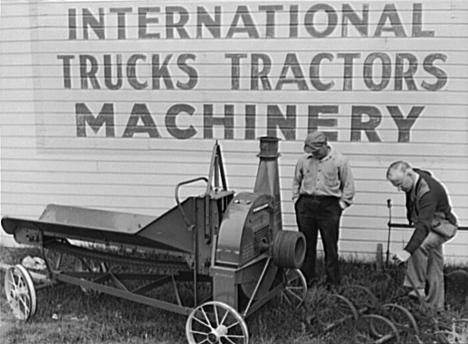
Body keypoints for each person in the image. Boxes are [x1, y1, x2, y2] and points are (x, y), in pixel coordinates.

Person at [387, 161, 458, 313]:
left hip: (444, 227)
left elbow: (423, 226)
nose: (399, 189)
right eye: (395, 186)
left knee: (419, 246)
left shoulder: (428, 192)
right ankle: (435, 309)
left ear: (409, 174)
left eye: (400, 184)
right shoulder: (415, 177)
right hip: (432, 224)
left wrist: (407, 251)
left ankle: (417, 288)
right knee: (434, 266)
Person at [292, 131, 355, 288]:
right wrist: (296, 200)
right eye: (310, 151)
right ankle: (307, 281)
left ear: (325, 145)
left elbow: (348, 186)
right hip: (306, 205)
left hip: (329, 206)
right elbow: (296, 181)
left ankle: (333, 284)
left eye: (316, 150)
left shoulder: (340, 160)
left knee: (330, 247)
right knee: (306, 245)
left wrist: (341, 205)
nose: (313, 153)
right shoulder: (303, 161)